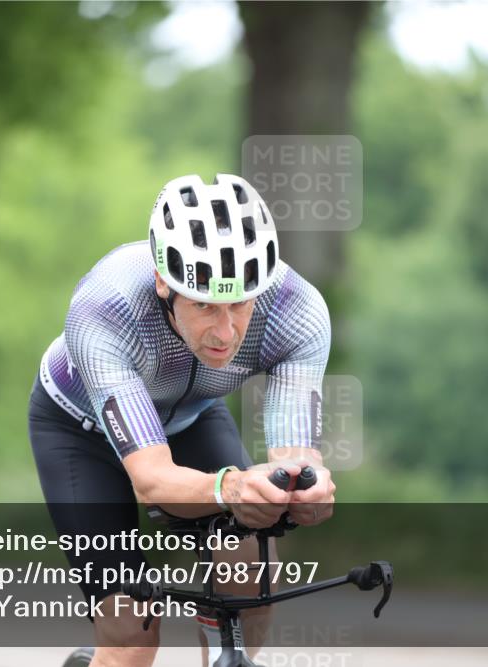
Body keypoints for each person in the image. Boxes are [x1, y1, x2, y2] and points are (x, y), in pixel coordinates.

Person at [28, 173, 335, 667]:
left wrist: (304, 488)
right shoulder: (106, 308)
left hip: (189, 418)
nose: (225, 330)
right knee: (132, 633)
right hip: (78, 432)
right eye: (204, 306)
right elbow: (153, 481)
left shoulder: (295, 311)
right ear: (162, 284)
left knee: (251, 571)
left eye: (239, 304)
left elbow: (296, 455)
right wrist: (232, 490)